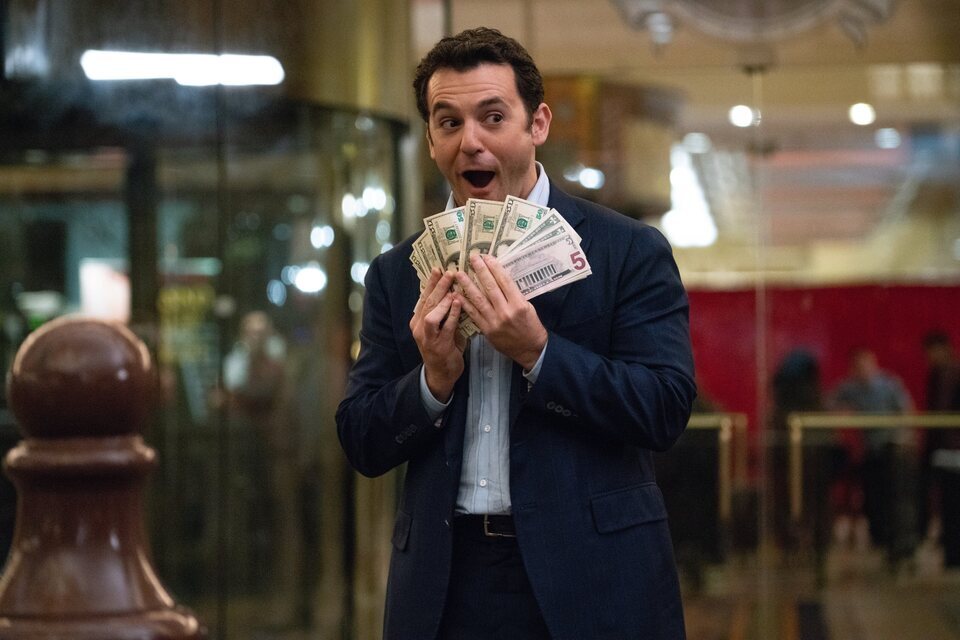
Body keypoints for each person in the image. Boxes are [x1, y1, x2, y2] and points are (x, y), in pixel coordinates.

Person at [336, 27, 696, 640]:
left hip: (595, 576)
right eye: (449, 123)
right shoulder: (397, 273)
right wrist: (432, 381)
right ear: (431, 140)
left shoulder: (628, 250)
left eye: (493, 117)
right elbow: (361, 439)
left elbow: (663, 409)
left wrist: (540, 353)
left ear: (538, 125)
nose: (470, 141)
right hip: (445, 584)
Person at [828, 347, 916, 563]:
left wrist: (906, 439)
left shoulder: (889, 385)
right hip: (869, 451)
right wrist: (843, 413)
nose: (864, 370)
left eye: (867, 365)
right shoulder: (849, 388)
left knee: (895, 499)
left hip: (892, 449)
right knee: (872, 498)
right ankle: (880, 540)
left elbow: (907, 411)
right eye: (859, 366)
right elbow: (829, 405)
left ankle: (899, 544)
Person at [920, 331, 960, 568]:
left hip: (950, 449)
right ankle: (952, 553)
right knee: (949, 502)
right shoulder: (941, 373)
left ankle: (953, 554)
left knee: (951, 502)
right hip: (946, 449)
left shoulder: (947, 373)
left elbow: (940, 412)